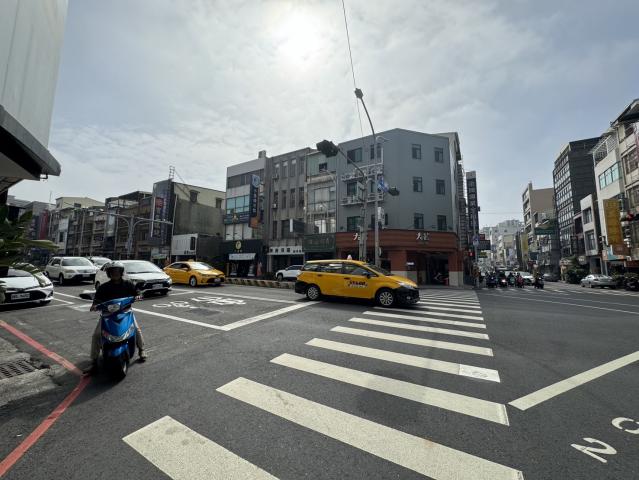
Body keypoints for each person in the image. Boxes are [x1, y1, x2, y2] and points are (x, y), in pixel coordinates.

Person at [85, 261, 146, 374]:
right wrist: (94, 306)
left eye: (117, 271)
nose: (115, 273)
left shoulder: (128, 284)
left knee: (136, 330)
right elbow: (96, 300)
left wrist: (138, 295)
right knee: (96, 335)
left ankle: (142, 350)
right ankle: (94, 362)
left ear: (121, 272)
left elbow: (137, 292)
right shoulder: (104, 287)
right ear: (109, 273)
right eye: (112, 271)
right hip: (108, 315)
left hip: (126, 312)